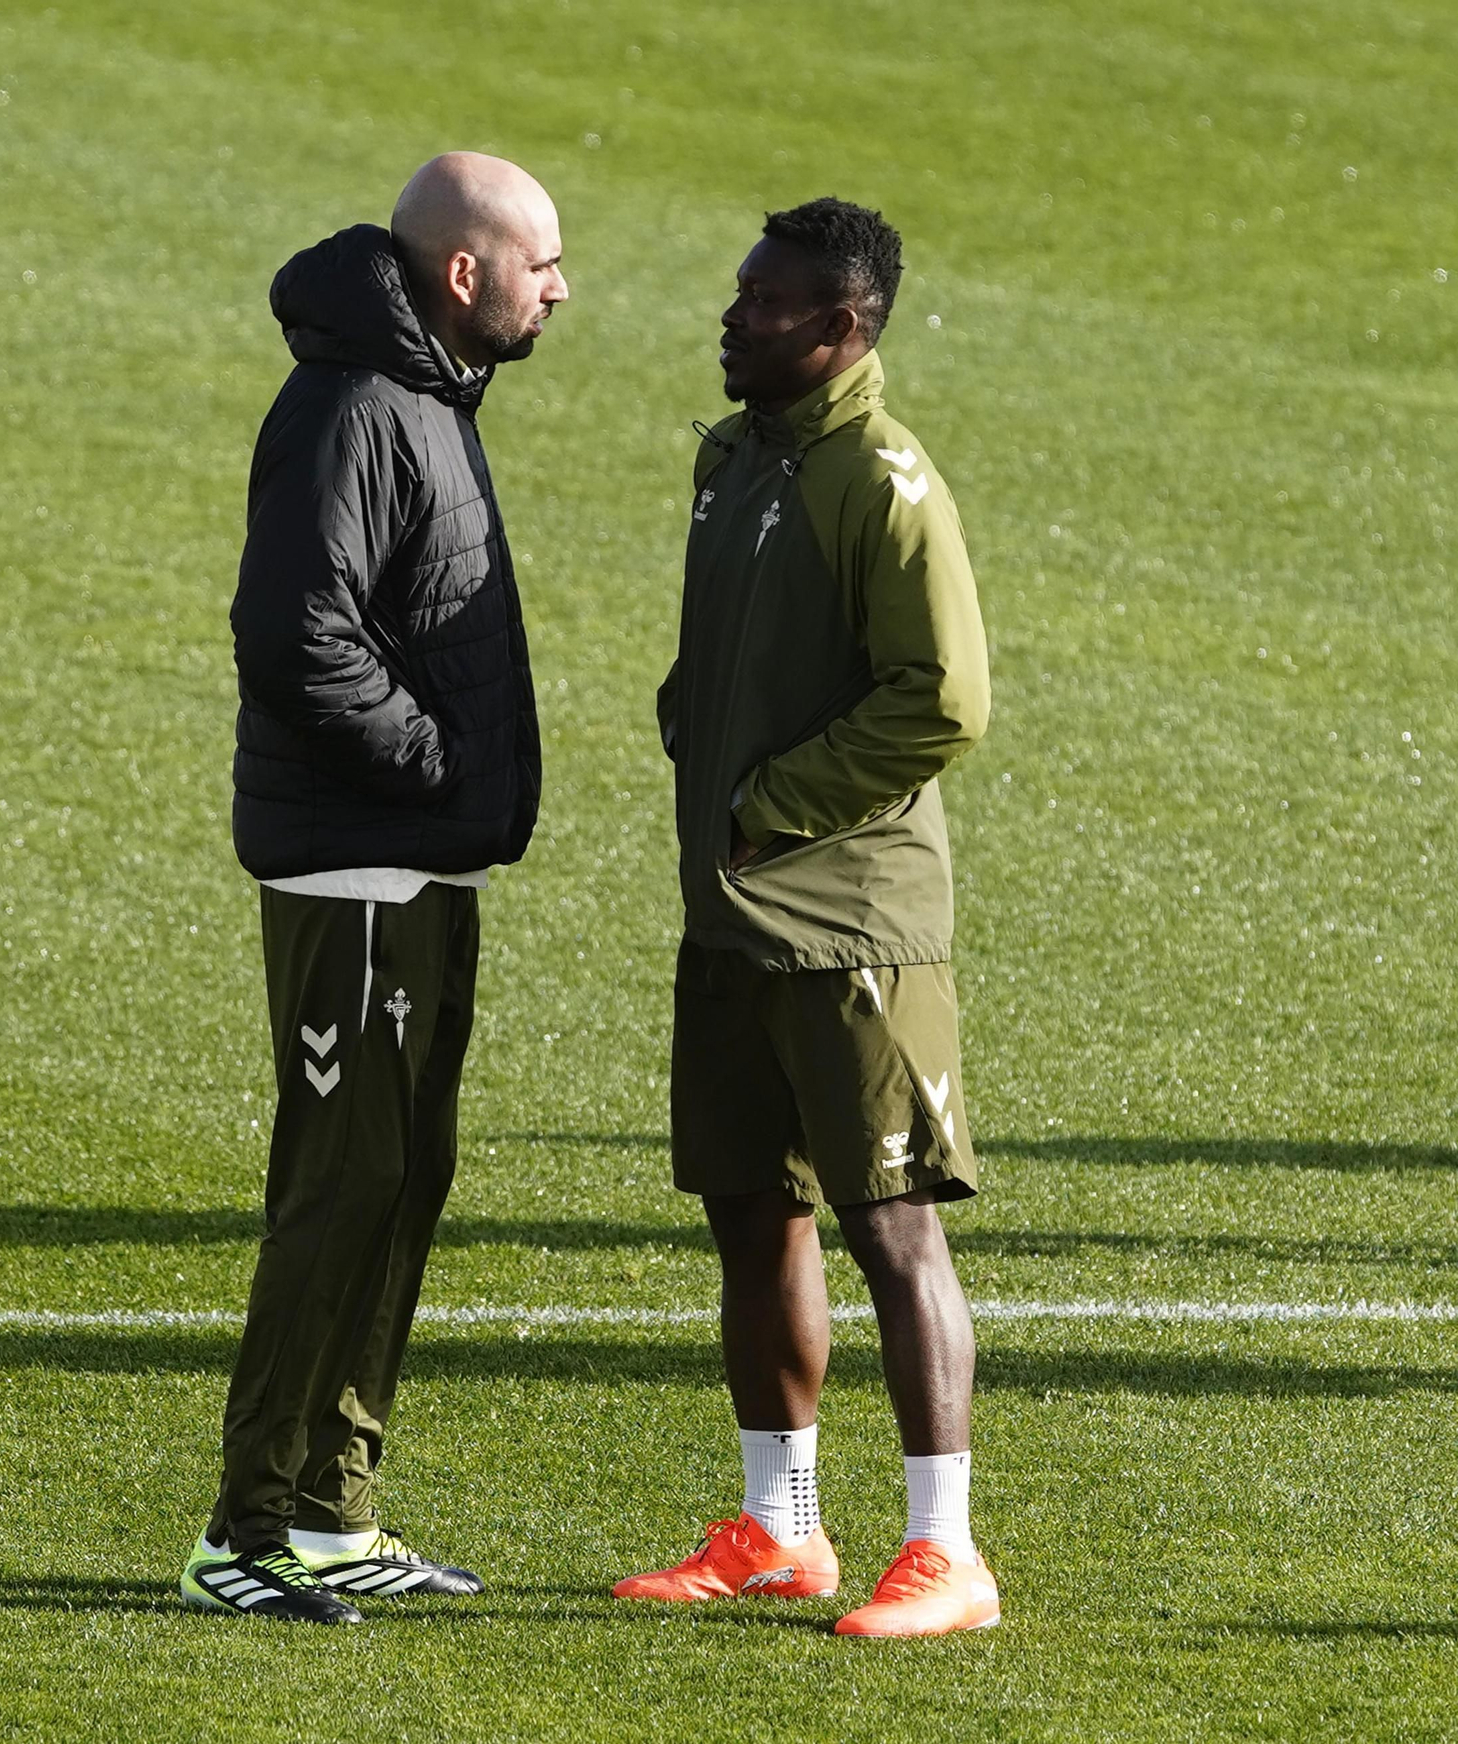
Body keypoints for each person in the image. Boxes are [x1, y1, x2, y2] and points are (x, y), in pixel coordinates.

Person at [180, 153, 568, 1625]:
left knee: (400, 1183)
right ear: (462, 272)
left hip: (418, 865)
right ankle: (246, 1527)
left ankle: (334, 1509)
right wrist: (427, 769)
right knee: (338, 1187)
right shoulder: (355, 407)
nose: (561, 287)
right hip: (354, 864)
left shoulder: (421, 398)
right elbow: (293, 636)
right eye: (541, 261)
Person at [613, 198, 996, 1637]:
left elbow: (944, 700)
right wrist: (690, 726)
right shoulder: (733, 461)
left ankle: (948, 1552)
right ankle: (781, 1531)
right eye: (737, 288)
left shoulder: (886, 482)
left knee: (891, 1224)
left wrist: (775, 801)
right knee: (750, 1211)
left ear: (840, 328)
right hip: (731, 917)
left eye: (763, 301)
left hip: (851, 924)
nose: (731, 313)